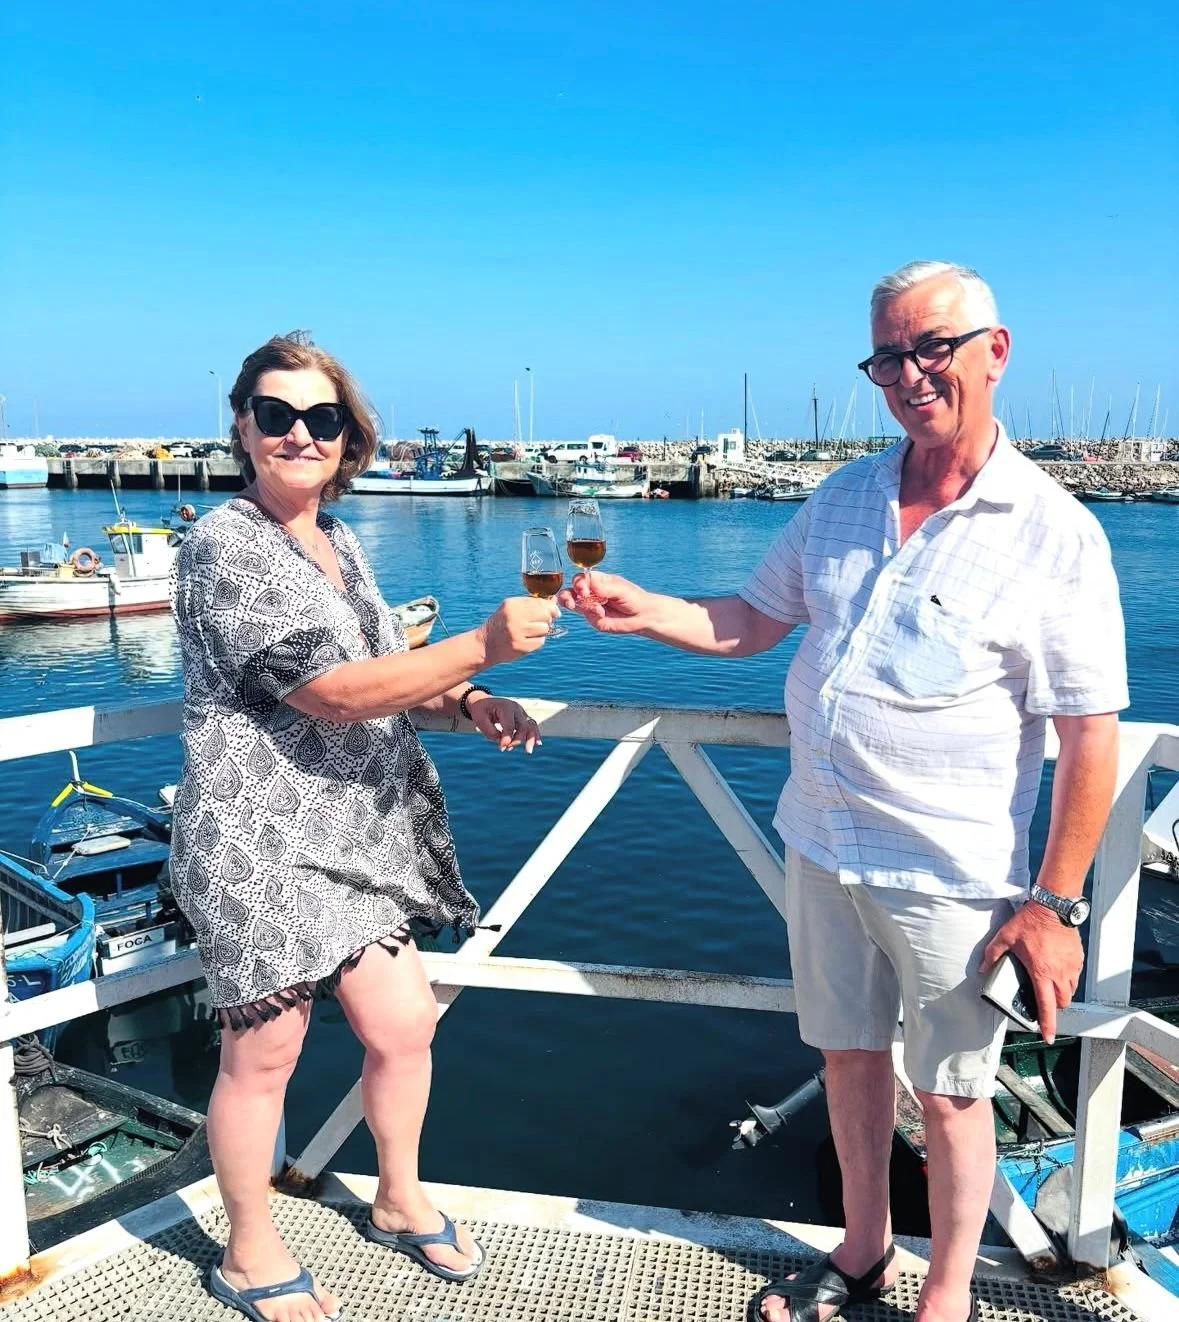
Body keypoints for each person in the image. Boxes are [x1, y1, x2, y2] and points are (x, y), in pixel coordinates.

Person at [560, 262, 1128, 1322]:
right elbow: (750, 620)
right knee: (848, 1060)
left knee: (952, 1094)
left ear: (994, 353)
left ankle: (946, 1295)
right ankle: (862, 1250)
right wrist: (647, 610)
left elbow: (1088, 734)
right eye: (887, 356)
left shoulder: (1055, 533)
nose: (909, 375)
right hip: (819, 842)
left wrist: (1053, 905)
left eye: (932, 348)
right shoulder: (844, 496)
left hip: (951, 873)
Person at [170, 332, 558, 1322]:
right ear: (243, 426)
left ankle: (397, 1195)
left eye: (324, 417)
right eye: (278, 414)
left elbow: (385, 672)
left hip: (354, 838)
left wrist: (469, 698)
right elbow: (330, 693)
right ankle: (249, 1251)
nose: (301, 433)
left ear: (350, 436)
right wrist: (483, 644)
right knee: (264, 1055)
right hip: (259, 840)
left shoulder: (337, 540)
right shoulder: (224, 544)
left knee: (404, 1024)